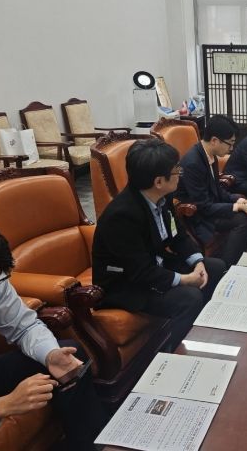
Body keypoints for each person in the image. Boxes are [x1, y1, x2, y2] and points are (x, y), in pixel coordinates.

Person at [0, 216, 104, 451]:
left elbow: (23, 326)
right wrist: (1, 406)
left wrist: (50, 354)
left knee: (69, 356)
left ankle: (90, 446)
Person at [92, 139, 226, 350]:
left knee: (214, 267)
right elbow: (140, 272)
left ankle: (202, 330)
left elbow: (178, 236)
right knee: (189, 297)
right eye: (176, 170)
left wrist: (197, 262)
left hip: (154, 265)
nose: (180, 173)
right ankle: (173, 353)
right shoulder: (122, 216)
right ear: (159, 181)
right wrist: (184, 280)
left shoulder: (163, 196)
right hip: (126, 283)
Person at [177, 115, 247, 266]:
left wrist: (240, 200)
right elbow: (203, 206)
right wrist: (236, 207)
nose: (231, 148)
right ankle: (227, 266)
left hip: (210, 206)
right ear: (214, 140)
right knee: (244, 219)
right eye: (230, 144)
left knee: (246, 210)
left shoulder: (210, 155)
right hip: (198, 215)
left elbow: (217, 190)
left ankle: (233, 260)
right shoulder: (193, 163)